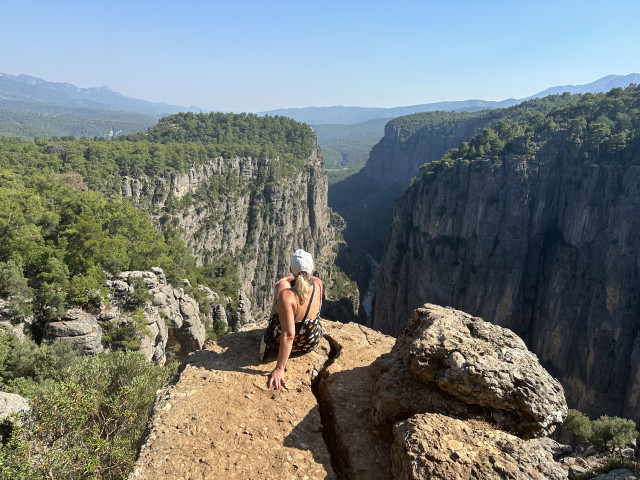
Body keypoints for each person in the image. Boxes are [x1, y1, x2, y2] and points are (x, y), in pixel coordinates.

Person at [261, 249, 323, 390]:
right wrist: (289, 279)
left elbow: (289, 335)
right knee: (284, 285)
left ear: (290, 269)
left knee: (281, 287)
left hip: (289, 343)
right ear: (312, 269)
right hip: (311, 341)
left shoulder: (286, 295)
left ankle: (269, 327)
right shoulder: (318, 283)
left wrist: (279, 368)